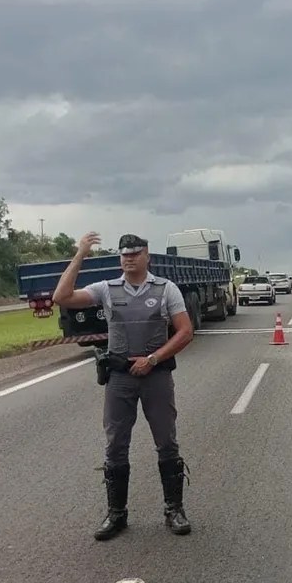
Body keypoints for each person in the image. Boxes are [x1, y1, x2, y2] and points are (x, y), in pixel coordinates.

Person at [53, 232, 195, 541]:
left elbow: (185, 332)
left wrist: (154, 359)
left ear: (147, 257)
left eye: (134, 253)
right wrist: (80, 255)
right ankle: (116, 514)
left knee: (166, 442)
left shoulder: (165, 289)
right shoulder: (106, 289)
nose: (128, 258)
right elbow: (61, 298)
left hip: (155, 375)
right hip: (119, 378)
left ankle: (174, 509)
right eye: (124, 254)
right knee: (116, 444)